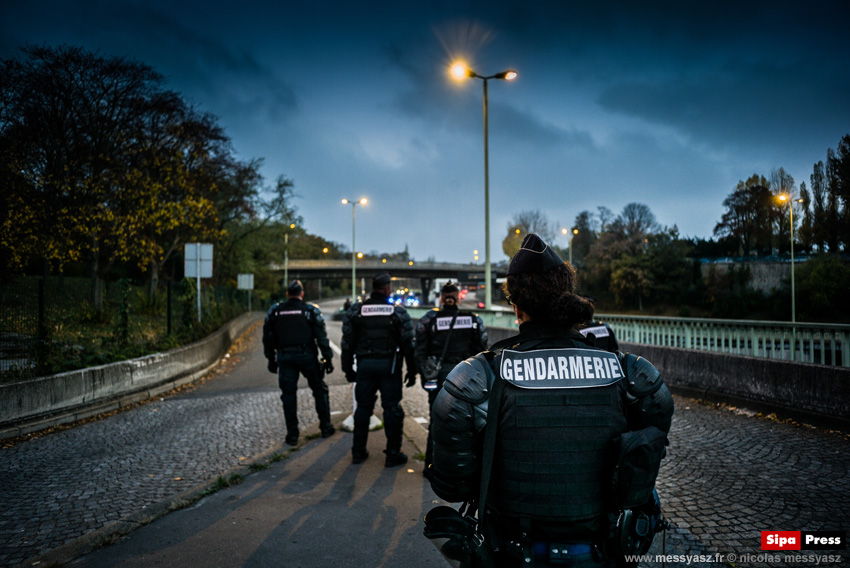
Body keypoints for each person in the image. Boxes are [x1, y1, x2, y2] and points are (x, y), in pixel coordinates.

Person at [427, 234, 674, 567]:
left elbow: (451, 486)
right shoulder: (628, 372)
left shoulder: (479, 376)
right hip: (600, 551)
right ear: (566, 294)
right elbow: (649, 450)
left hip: (511, 553)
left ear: (516, 306)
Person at [341, 271, 417, 467]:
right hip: (390, 368)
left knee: (363, 409)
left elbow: (347, 343)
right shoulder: (397, 312)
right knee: (392, 409)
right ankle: (393, 453)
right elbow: (409, 344)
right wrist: (412, 370)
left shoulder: (356, 311)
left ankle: (358, 452)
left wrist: (348, 369)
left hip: (365, 367)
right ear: (387, 289)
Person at [414, 281, 488, 477]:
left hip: (439, 378)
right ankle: (465, 469)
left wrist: (424, 376)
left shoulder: (429, 320)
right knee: (470, 424)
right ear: (457, 297)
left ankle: (431, 466)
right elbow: (483, 352)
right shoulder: (472, 320)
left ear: (441, 298)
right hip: (467, 378)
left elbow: (420, 352)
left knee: (437, 422)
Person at [263, 280, 336, 446]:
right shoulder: (309, 311)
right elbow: (321, 336)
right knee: (319, 390)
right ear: (302, 294)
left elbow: (267, 337)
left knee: (288, 395)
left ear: (287, 294)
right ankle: (325, 427)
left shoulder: (275, 311)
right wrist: (327, 357)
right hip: (307, 356)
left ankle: (292, 435)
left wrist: (270, 359)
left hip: (285, 357)